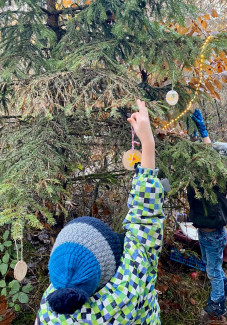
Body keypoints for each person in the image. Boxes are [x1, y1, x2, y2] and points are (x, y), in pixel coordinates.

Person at [35, 99, 165, 325]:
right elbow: (145, 217)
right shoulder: (132, 281)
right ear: (110, 264)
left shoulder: (49, 311)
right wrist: (148, 143)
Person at [187, 108, 227, 317]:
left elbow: (209, 153)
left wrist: (204, 133)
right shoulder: (199, 179)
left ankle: (218, 304)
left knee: (212, 271)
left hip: (213, 234)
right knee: (212, 266)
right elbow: (202, 155)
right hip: (206, 233)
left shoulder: (217, 181)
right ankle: (222, 285)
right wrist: (193, 135)